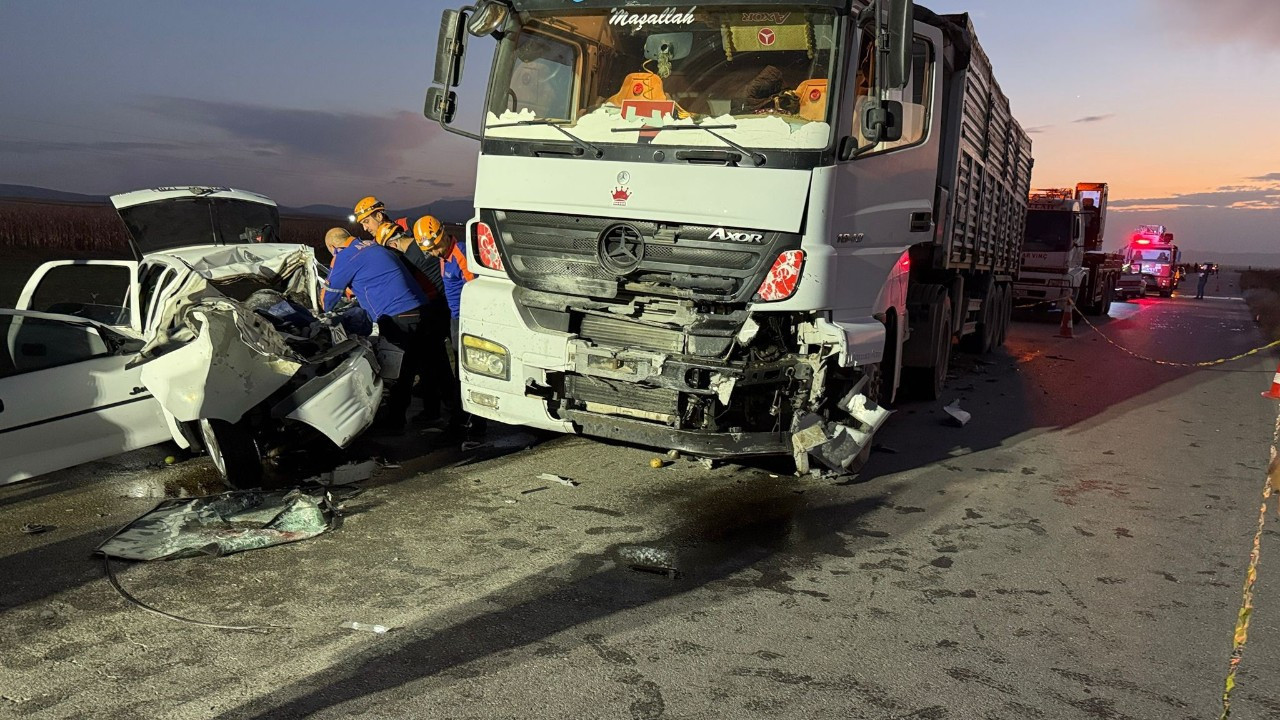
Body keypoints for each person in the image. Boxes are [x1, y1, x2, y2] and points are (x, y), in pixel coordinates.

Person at [323, 230, 432, 433]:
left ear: (332, 247)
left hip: (397, 315)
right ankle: (440, 415)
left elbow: (327, 301)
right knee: (422, 366)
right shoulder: (371, 246)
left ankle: (394, 422)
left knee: (395, 371)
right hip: (421, 308)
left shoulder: (346, 255)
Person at [414, 215, 486, 438]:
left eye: (436, 248)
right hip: (456, 318)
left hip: (467, 320)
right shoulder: (445, 256)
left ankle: (470, 422)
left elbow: (476, 287)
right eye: (431, 250)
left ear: (443, 235)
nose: (435, 253)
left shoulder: (461, 254)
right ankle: (463, 418)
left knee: (466, 372)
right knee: (459, 372)